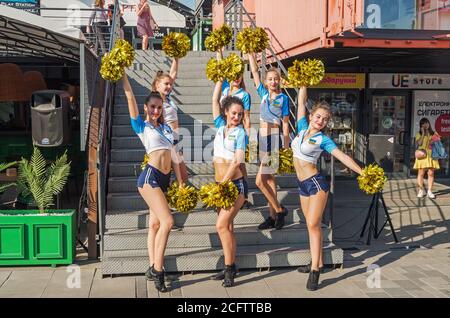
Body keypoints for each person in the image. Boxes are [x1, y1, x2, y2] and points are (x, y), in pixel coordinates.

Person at [292, 86, 362, 291]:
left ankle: (315, 271)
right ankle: (319, 261)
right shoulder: (302, 127)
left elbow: (342, 156)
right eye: (318, 116)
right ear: (312, 115)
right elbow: (301, 101)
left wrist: (361, 172)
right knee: (310, 225)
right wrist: (303, 83)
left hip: (316, 185)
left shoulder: (323, 139)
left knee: (314, 225)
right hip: (302, 184)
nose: (320, 121)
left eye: (324, 119)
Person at [122, 72, 184, 293]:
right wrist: (123, 75)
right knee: (168, 222)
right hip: (150, 178)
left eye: (159, 107)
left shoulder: (166, 128)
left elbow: (175, 156)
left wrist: (181, 181)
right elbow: (130, 97)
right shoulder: (142, 126)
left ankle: (152, 266)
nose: (156, 111)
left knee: (156, 224)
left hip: (165, 179)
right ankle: (158, 270)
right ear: (146, 108)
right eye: (152, 107)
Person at [209, 79, 248, 287]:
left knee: (221, 225)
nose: (237, 117)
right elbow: (215, 100)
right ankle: (230, 265)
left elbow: (237, 160)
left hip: (233, 185)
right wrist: (218, 79)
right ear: (226, 112)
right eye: (234, 113)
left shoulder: (240, 132)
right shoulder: (219, 126)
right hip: (220, 185)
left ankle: (229, 269)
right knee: (228, 228)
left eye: (240, 114)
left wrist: (224, 182)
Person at [248, 52, 289, 230]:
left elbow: (286, 124)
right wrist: (250, 54)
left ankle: (280, 210)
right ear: (266, 82)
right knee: (270, 179)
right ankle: (272, 217)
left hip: (273, 139)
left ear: (279, 81)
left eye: (276, 79)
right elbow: (255, 73)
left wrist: (286, 146)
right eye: (270, 79)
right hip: (261, 139)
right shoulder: (263, 94)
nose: (273, 82)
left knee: (259, 181)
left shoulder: (284, 99)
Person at [151, 59, 189, 183]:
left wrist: (176, 59)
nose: (169, 86)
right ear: (157, 85)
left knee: (182, 177)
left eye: (170, 84)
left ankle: (172, 198)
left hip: (175, 141)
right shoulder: (156, 101)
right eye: (166, 84)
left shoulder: (167, 99)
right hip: (166, 142)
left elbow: (173, 74)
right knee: (178, 177)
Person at [414, 118, 440, 199]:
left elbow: (438, 143)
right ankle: (421, 190)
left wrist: (434, 141)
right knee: (421, 173)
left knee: (431, 173)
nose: (425, 125)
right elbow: (419, 143)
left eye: (426, 123)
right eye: (423, 124)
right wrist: (423, 134)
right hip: (422, 155)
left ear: (429, 123)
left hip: (431, 155)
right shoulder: (418, 133)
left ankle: (429, 191)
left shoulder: (434, 133)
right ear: (421, 126)